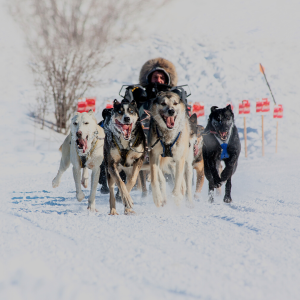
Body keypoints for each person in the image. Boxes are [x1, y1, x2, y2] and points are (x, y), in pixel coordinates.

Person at [99, 58, 179, 194]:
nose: (158, 80)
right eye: (155, 77)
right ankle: (111, 180)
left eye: (162, 77)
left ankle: (174, 189)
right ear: (149, 78)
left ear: (167, 80)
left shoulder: (173, 97)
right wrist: (130, 96)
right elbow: (125, 108)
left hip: (164, 137)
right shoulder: (138, 92)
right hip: (137, 133)